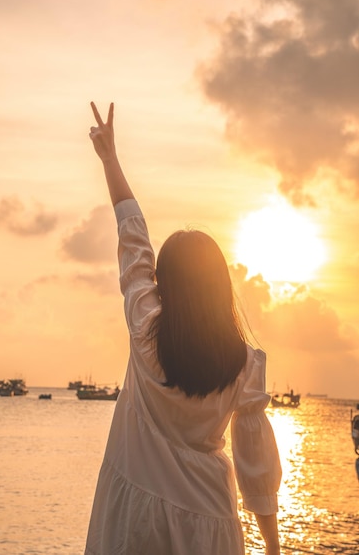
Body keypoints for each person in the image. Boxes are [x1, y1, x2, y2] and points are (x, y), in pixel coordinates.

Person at [84, 102, 282, 555]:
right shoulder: (243, 365)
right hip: (209, 520)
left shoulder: (146, 331)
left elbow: (133, 238)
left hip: (136, 513)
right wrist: (272, 546)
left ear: (164, 285)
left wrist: (110, 159)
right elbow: (256, 470)